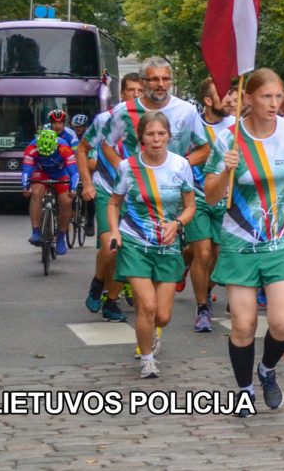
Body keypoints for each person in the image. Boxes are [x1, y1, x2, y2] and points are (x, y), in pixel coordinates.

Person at [204, 69, 284, 413]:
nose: (274, 103)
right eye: (266, 96)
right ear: (248, 99)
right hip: (240, 244)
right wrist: (226, 170)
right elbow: (210, 197)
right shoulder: (229, 140)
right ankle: (243, 390)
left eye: (278, 96)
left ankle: (267, 369)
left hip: (282, 240)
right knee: (243, 325)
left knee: (282, 325)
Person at [105, 110, 197, 379]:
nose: (156, 139)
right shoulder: (128, 167)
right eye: (150, 134)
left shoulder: (181, 165)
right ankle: (147, 359)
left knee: (163, 316)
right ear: (141, 138)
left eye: (161, 134)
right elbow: (114, 203)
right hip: (135, 243)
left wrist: (177, 224)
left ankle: (152, 336)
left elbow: (190, 206)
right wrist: (114, 231)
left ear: (169, 136)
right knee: (146, 305)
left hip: (167, 246)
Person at [78, 73, 145, 322]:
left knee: (127, 250)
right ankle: (98, 282)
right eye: (131, 90)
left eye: (141, 91)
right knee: (111, 246)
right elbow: (82, 149)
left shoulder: (150, 122)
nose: (136, 95)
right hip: (108, 189)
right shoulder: (106, 119)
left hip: (137, 195)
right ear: (122, 94)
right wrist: (87, 183)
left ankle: (111, 301)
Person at [183, 78, 239, 333]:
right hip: (197, 196)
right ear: (207, 101)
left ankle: (196, 276)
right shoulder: (191, 125)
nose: (229, 99)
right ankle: (202, 307)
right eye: (223, 95)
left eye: (230, 94)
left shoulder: (236, 126)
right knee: (203, 252)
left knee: (215, 257)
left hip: (225, 198)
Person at [22, 128, 78, 255]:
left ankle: (61, 238)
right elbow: (26, 170)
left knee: (66, 201)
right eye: (43, 154)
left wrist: (73, 189)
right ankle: (36, 231)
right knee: (35, 193)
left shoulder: (64, 147)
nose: (46, 156)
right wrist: (25, 186)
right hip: (41, 171)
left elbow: (74, 172)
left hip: (61, 172)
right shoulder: (32, 147)